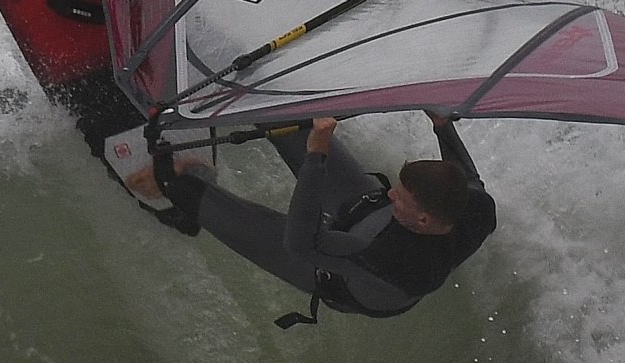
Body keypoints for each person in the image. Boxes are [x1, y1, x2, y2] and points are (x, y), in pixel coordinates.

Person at [139, 113, 496, 322]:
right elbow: (468, 175)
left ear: (423, 221)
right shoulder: (477, 208)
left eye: (400, 199)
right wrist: (441, 123)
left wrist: (316, 157)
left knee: (179, 188)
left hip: (328, 271)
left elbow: (301, 242)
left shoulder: (392, 260)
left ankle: (181, 186)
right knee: (282, 115)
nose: (391, 193)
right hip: (360, 207)